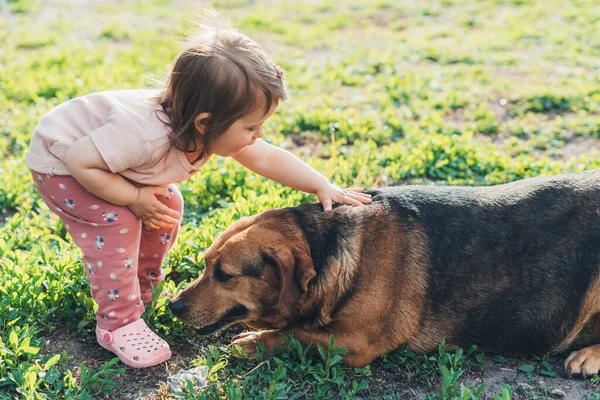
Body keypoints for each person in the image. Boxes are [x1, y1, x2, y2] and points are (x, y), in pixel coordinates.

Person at [25, 21, 372, 368]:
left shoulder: (205, 126)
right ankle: (119, 322)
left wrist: (320, 185)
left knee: (167, 204)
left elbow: (267, 157)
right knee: (118, 223)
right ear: (205, 123)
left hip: (111, 163)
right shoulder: (145, 136)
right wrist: (132, 198)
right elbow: (79, 161)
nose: (259, 134)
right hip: (63, 166)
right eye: (251, 127)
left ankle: (142, 283)